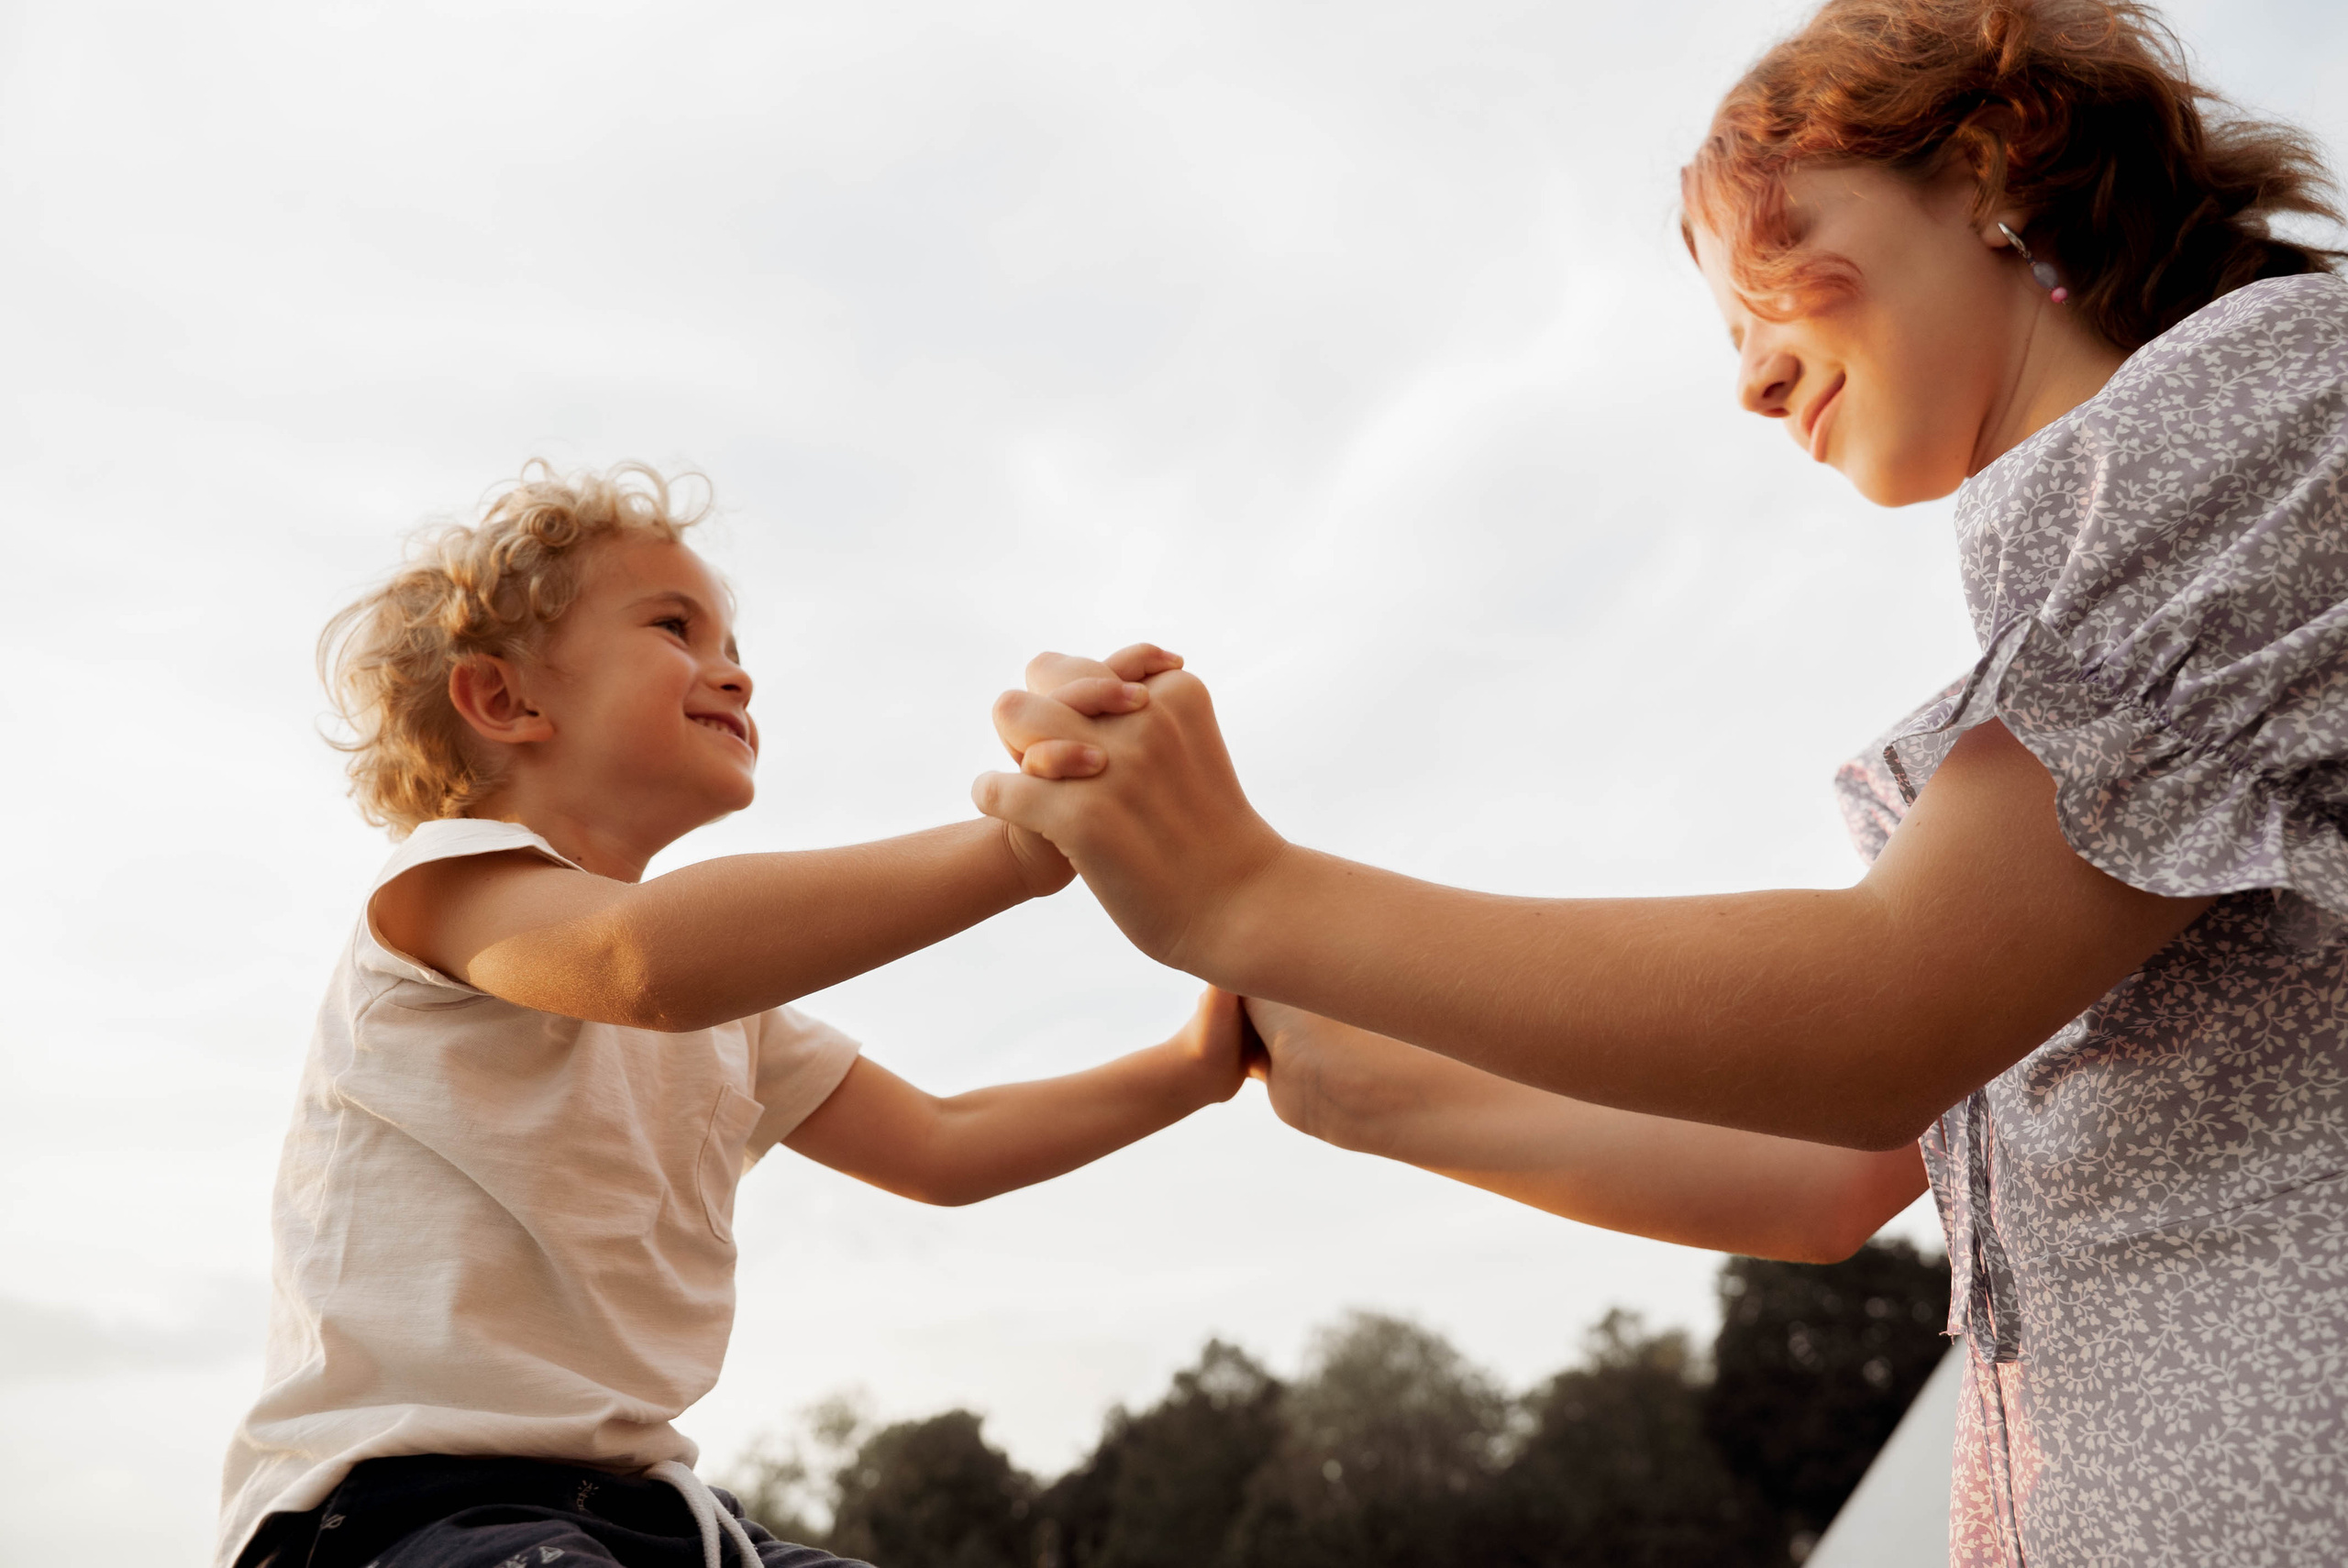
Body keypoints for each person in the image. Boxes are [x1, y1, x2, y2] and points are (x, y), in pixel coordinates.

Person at [974, 1, 2348, 1562]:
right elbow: (1831, 1172)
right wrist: (1377, 1085)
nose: (1751, 386)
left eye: (1769, 271)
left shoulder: (2267, 398)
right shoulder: (2121, 624)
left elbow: (1880, 1021)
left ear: (1989, 162)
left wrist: (1250, 893)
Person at [219, 464, 1249, 1568]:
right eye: (676, 626)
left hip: (644, 1512)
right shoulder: (443, 897)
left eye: (740, 651)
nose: (736, 676)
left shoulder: (730, 1007)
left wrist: (1196, 1067)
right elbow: (642, 958)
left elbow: (946, 1143)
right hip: (396, 1511)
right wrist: (1025, 843)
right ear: (507, 700)